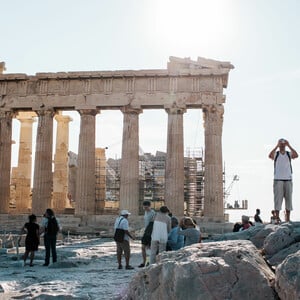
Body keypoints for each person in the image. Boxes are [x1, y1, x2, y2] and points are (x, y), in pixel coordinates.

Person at [269, 138, 298, 222]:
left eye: (283, 144)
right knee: (278, 199)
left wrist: (289, 145)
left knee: (289, 199)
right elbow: (270, 156)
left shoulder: (288, 154)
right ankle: (277, 217)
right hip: (278, 179)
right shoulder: (276, 154)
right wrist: (276, 146)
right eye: (281, 144)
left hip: (288, 179)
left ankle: (288, 218)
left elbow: (296, 155)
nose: (282, 146)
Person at [138, 201, 156, 268]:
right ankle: (144, 261)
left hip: (150, 232)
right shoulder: (145, 212)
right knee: (143, 247)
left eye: (146, 207)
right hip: (146, 232)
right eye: (144, 207)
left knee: (149, 248)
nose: (145, 208)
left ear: (149, 206)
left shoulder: (153, 213)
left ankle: (148, 262)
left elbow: (154, 223)